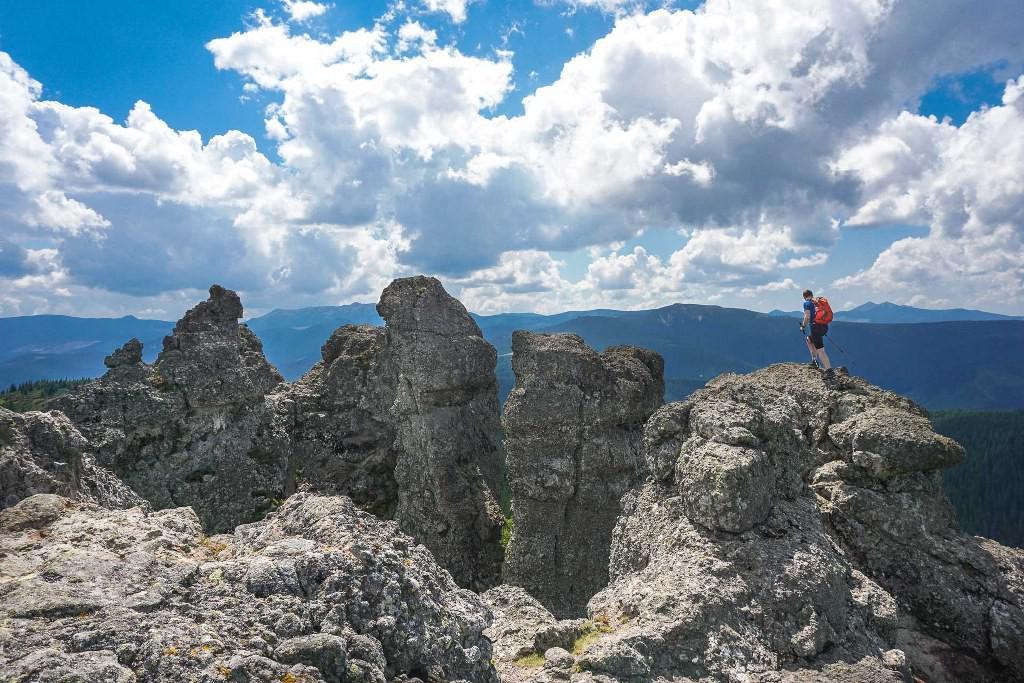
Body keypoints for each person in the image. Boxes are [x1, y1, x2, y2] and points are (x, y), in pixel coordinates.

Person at [800, 289, 833, 375]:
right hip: (824, 327)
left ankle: (829, 370)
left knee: (821, 350)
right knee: (809, 340)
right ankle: (814, 361)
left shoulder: (807, 303)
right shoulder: (817, 302)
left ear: (804, 297)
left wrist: (803, 326)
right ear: (812, 295)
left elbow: (807, 316)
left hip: (815, 328)